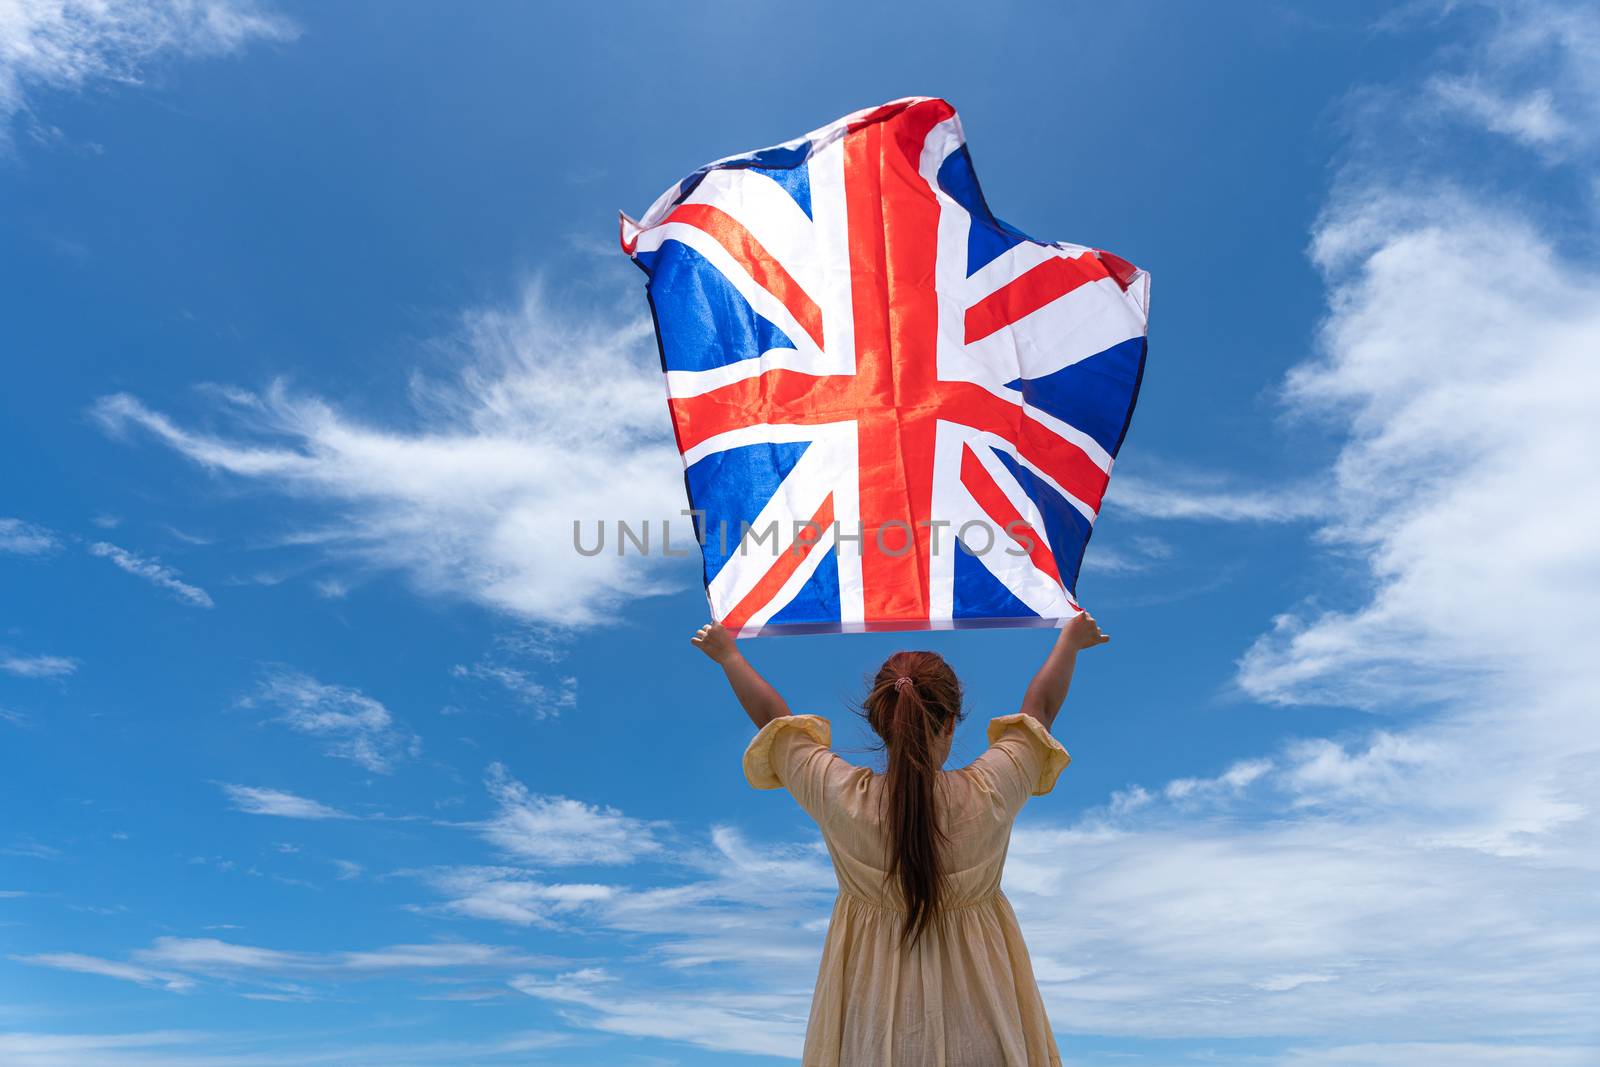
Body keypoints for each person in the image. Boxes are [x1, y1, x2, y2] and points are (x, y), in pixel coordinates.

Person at [691, 612, 1110, 1066]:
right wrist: (1069, 642)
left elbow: (775, 722)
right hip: (987, 1028)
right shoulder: (991, 791)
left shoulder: (842, 798)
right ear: (950, 722)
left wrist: (728, 655)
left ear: (879, 723)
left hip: (869, 1036)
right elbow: (1040, 710)